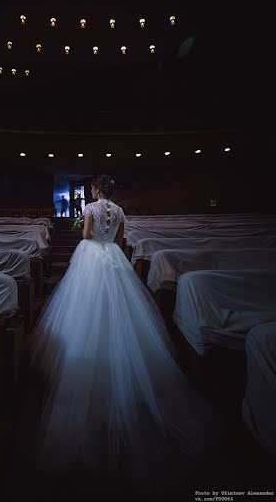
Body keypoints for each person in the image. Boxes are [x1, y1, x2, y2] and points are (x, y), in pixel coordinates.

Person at [29, 175, 223, 499]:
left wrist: (85, 227)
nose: (91, 191)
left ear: (95, 190)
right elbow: (118, 242)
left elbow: (87, 235)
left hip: (91, 259)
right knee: (122, 311)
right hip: (114, 260)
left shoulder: (90, 207)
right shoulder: (119, 211)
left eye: (92, 187)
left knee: (86, 309)